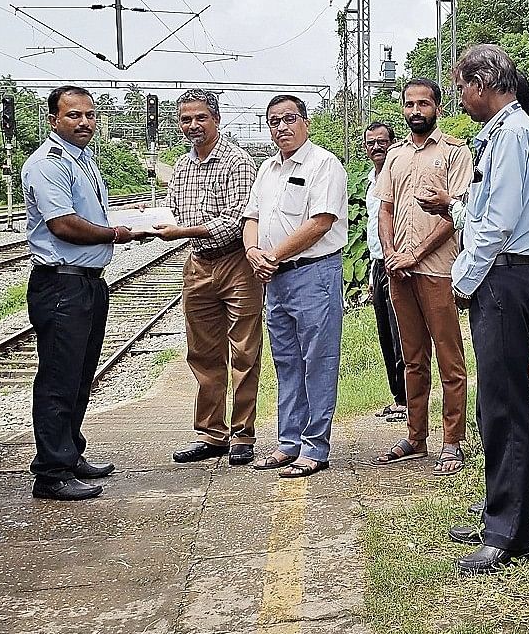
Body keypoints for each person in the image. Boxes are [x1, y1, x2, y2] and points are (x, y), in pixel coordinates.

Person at [438, 44, 529, 574]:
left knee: (506, 404)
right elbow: (488, 210)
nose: (459, 96)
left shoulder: (511, 135)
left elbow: (501, 222)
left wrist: (464, 276)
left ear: (484, 83)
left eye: (463, 85)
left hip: (502, 275)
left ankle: (510, 531)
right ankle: (497, 515)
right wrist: (459, 210)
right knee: (493, 402)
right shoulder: (503, 134)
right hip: (498, 272)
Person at [21, 85, 138, 501]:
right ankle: (51, 472)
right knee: (59, 377)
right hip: (61, 283)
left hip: (86, 281)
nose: (85, 122)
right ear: (53, 120)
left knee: (80, 375)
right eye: (74, 116)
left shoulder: (82, 159)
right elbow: (64, 225)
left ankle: (70, 455)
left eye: (90, 115)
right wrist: (117, 234)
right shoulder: (49, 164)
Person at [155, 89, 264, 468]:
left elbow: (237, 221)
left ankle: (243, 434)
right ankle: (212, 433)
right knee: (203, 353)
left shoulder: (238, 162)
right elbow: (176, 213)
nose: (193, 125)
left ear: (216, 119)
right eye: (186, 119)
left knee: (244, 351)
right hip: (198, 264)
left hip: (237, 263)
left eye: (200, 117)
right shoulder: (181, 167)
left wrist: (183, 232)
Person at [370, 81, 474, 475]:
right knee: (412, 358)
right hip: (400, 271)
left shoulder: (455, 152)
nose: (416, 109)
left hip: (438, 270)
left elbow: (458, 213)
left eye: (424, 103)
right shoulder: (394, 157)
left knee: (449, 357)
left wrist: (415, 252)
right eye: (410, 104)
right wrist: (392, 254)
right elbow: (384, 209)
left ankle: (452, 441)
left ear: (438, 107)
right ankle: (416, 438)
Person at [242, 94, 348, 478]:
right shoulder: (267, 169)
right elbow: (251, 216)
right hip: (276, 280)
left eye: (289, 119)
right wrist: (254, 251)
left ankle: (315, 447)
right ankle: (289, 443)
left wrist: (272, 256)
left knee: (317, 362)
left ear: (305, 121)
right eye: (273, 121)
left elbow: (321, 221)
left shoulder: (324, 165)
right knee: (286, 363)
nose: (281, 127)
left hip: (314, 274)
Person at [362, 121, 410, 423]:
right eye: (371, 143)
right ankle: (397, 396)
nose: (377, 147)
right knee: (384, 332)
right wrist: (371, 271)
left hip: (397, 262)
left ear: (392, 144)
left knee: (400, 333)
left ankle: (408, 399)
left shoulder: (397, 175)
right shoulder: (370, 179)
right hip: (378, 264)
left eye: (382, 142)